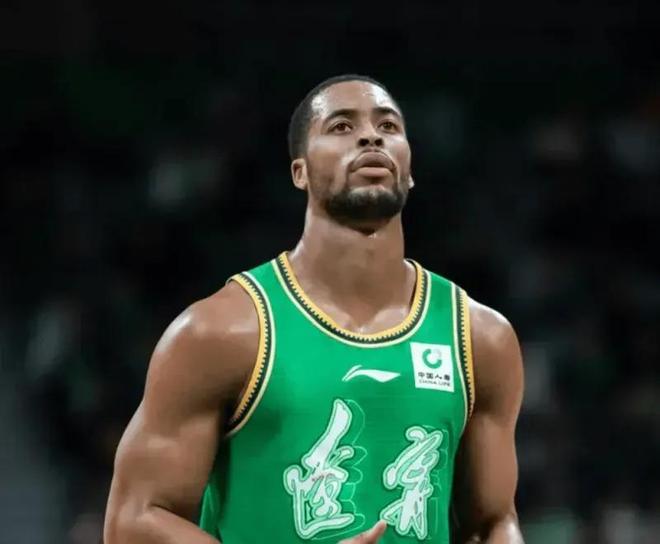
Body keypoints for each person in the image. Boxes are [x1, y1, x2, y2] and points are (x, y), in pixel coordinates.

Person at [104, 74, 524, 543]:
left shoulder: (480, 338)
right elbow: (133, 521)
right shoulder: (222, 331)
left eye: (388, 126)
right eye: (341, 126)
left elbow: (494, 521)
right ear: (299, 172)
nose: (370, 136)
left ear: (408, 170)